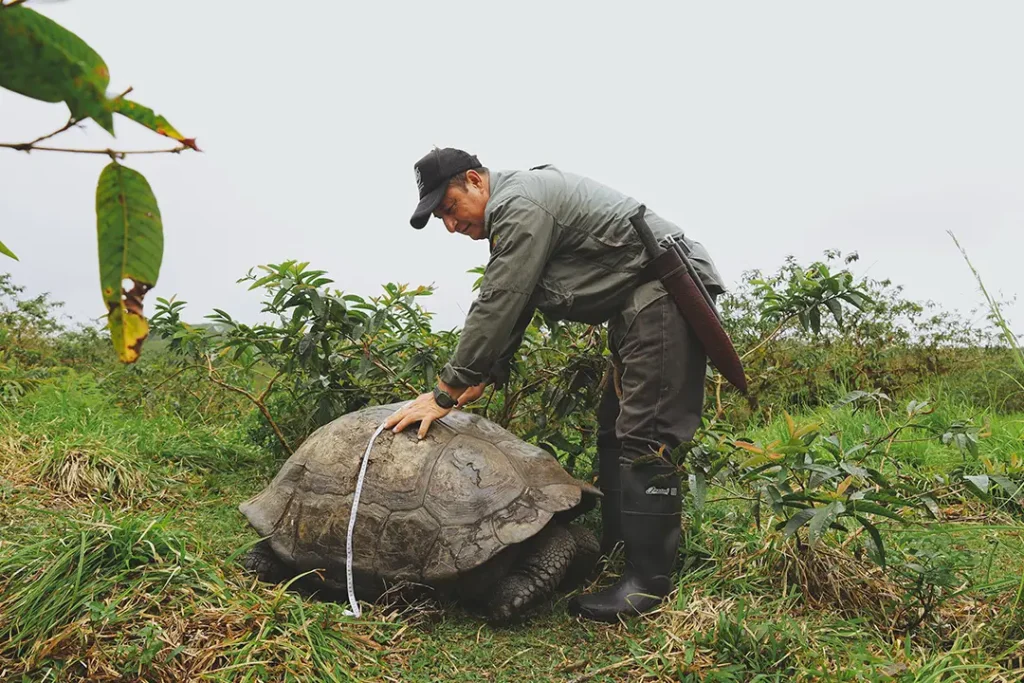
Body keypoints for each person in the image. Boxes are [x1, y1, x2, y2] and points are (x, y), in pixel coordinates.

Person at [383, 147, 725, 622]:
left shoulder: (520, 204)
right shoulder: (516, 208)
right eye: (440, 216)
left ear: (475, 181)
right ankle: (618, 548)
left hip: (662, 292)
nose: (450, 225)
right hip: (639, 302)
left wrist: (446, 390)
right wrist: (485, 373)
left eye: (449, 208)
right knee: (614, 427)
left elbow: (501, 297)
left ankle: (647, 584)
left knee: (647, 436)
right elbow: (519, 299)